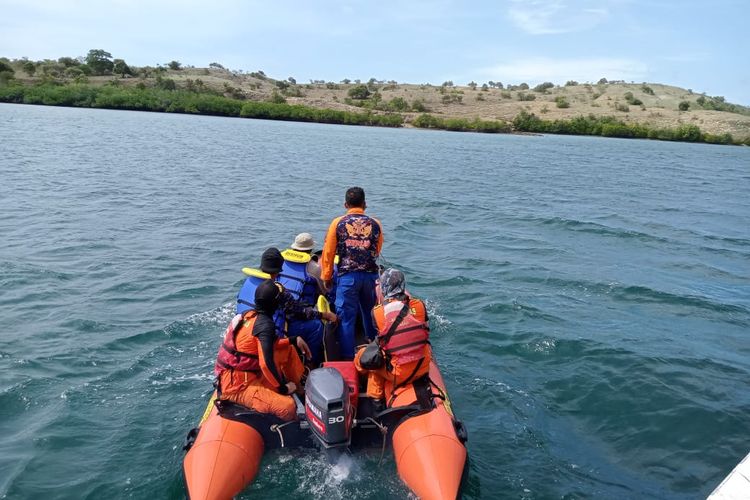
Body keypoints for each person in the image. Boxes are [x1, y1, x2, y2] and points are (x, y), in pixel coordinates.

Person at [215, 279, 312, 421]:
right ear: (275, 303)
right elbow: (265, 364)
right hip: (238, 386)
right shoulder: (264, 325)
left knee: (289, 349)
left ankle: (299, 389)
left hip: (247, 373)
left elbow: (269, 346)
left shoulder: (253, 316)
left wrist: (293, 340)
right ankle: (292, 427)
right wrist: (283, 388)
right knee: (287, 406)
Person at [236, 248, 337, 363]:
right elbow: (299, 312)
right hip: (269, 337)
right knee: (316, 326)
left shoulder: (247, 282)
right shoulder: (277, 289)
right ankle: (312, 363)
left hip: (245, 333)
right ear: (278, 271)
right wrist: (324, 315)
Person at [320, 187, 383, 360]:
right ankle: (374, 351)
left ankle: (349, 358)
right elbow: (377, 249)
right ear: (365, 204)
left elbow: (328, 252)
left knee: (346, 318)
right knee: (369, 313)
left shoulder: (338, 223)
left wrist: (327, 277)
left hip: (347, 277)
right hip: (370, 276)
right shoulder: (375, 223)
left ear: (345, 204)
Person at [354, 268, 431, 409]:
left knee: (370, 359)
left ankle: (375, 399)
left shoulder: (378, 312)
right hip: (423, 366)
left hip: (399, 372)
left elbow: (381, 343)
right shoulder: (419, 305)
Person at [278, 233, 327, 365]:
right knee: (317, 327)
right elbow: (324, 291)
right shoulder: (314, 268)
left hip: (279, 313)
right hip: (297, 317)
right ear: (311, 250)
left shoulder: (280, 262)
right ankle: (313, 363)